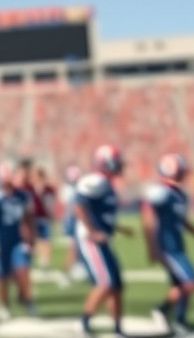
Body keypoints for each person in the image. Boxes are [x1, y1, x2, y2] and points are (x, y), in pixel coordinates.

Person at [144, 154, 194, 335]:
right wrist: (153, 246)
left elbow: (181, 220)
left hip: (177, 245)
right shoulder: (161, 192)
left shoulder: (179, 194)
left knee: (180, 285)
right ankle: (162, 309)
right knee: (190, 282)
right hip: (168, 247)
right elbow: (148, 217)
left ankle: (180, 321)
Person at [74, 144, 133, 337]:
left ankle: (117, 328)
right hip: (92, 240)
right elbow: (79, 205)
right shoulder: (96, 181)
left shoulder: (106, 184)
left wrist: (120, 229)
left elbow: (101, 215)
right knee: (105, 283)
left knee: (116, 285)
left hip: (104, 239)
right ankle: (84, 323)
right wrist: (92, 231)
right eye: (115, 162)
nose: (119, 166)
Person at [0, 161, 36, 318]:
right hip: (1, 240)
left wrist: (31, 238)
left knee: (23, 269)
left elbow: (28, 220)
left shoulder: (23, 196)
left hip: (17, 240)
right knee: (3, 276)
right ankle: (4, 304)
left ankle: (28, 299)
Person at [59, 164, 84, 280]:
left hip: (76, 222)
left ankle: (77, 269)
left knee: (79, 249)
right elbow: (71, 209)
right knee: (74, 249)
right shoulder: (68, 190)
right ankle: (64, 274)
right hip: (72, 223)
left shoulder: (75, 188)